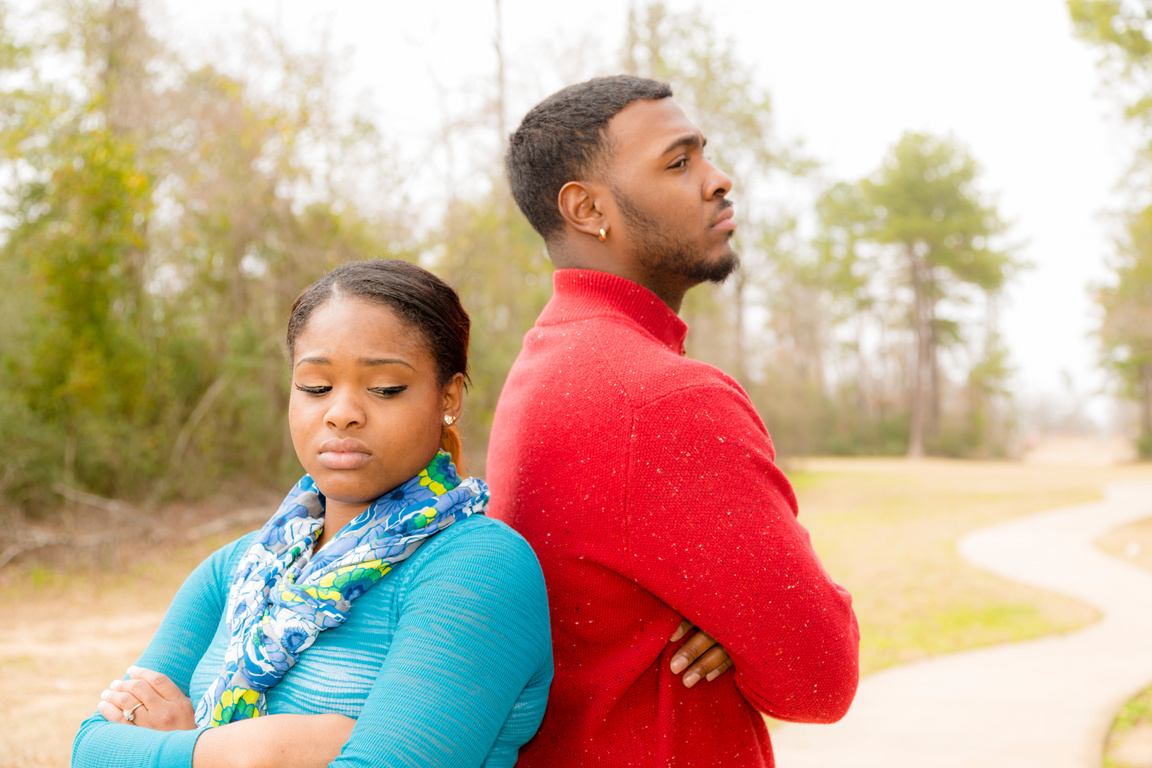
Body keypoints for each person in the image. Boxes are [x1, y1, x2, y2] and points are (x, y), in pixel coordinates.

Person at [486, 75, 860, 767]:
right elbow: (820, 674)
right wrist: (754, 627)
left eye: (705, 157)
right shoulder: (659, 398)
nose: (719, 182)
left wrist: (744, 626)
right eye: (679, 162)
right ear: (588, 208)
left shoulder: (551, 358)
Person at [72, 259, 553, 768]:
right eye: (316, 387)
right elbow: (92, 748)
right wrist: (253, 750)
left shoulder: (478, 567)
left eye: (385, 388)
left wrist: (176, 744)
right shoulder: (234, 570)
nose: (340, 412)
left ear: (448, 397)